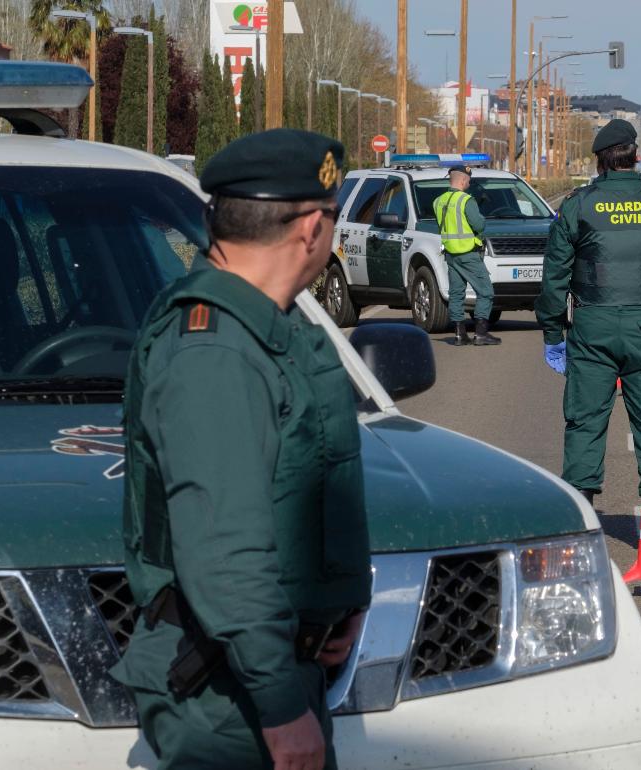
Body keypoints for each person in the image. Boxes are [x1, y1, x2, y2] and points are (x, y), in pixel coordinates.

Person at [111, 129, 373, 770]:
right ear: (311, 229)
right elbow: (226, 551)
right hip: (231, 701)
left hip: (262, 677)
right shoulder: (216, 352)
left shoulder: (264, 328)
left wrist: (337, 604)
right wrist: (283, 711)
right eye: (334, 220)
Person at [535, 119, 641, 556]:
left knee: (585, 424)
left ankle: (581, 531)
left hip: (591, 329)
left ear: (599, 160)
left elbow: (554, 280)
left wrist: (554, 334)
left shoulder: (578, 206)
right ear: (636, 157)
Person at [433, 164, 501, 345]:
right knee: (486, 292)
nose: (469, 184)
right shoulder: (465, 200)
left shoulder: (438, 201)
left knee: (456, 294)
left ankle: (459, 334)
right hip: (468, 254)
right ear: (463, 180)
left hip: (450, 255)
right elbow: (479, 225)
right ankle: (481, 333)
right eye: (468, 181)